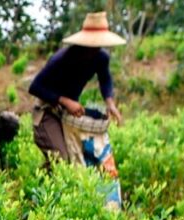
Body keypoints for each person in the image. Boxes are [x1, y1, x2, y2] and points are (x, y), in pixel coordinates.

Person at [29, 12, 125, 164]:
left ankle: (45, 184)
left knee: (76, 157)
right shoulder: (61, 59)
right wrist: (65, 101)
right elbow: (35, 87)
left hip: (67, 114)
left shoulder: (101, 58)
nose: (94, 49)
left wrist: (110, 103)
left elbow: (105, 79)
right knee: (61, 158)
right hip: (46, 112)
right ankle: (43, 185)